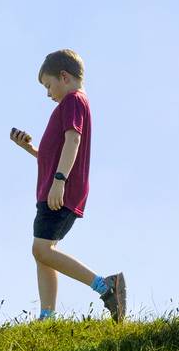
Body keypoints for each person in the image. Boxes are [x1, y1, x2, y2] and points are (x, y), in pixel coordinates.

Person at [8, 50, 126, 321]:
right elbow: (53, 155)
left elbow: (73, 141)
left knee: (42, 250)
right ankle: (47, 316)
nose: (48, 93)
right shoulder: (68, 105)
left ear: (64, 76)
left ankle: (106, 287)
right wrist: (29, 148)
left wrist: (59, 182)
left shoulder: (73, 100)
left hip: (59, 189)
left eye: (49, 85)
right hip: (53, 188)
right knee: (43, 253)